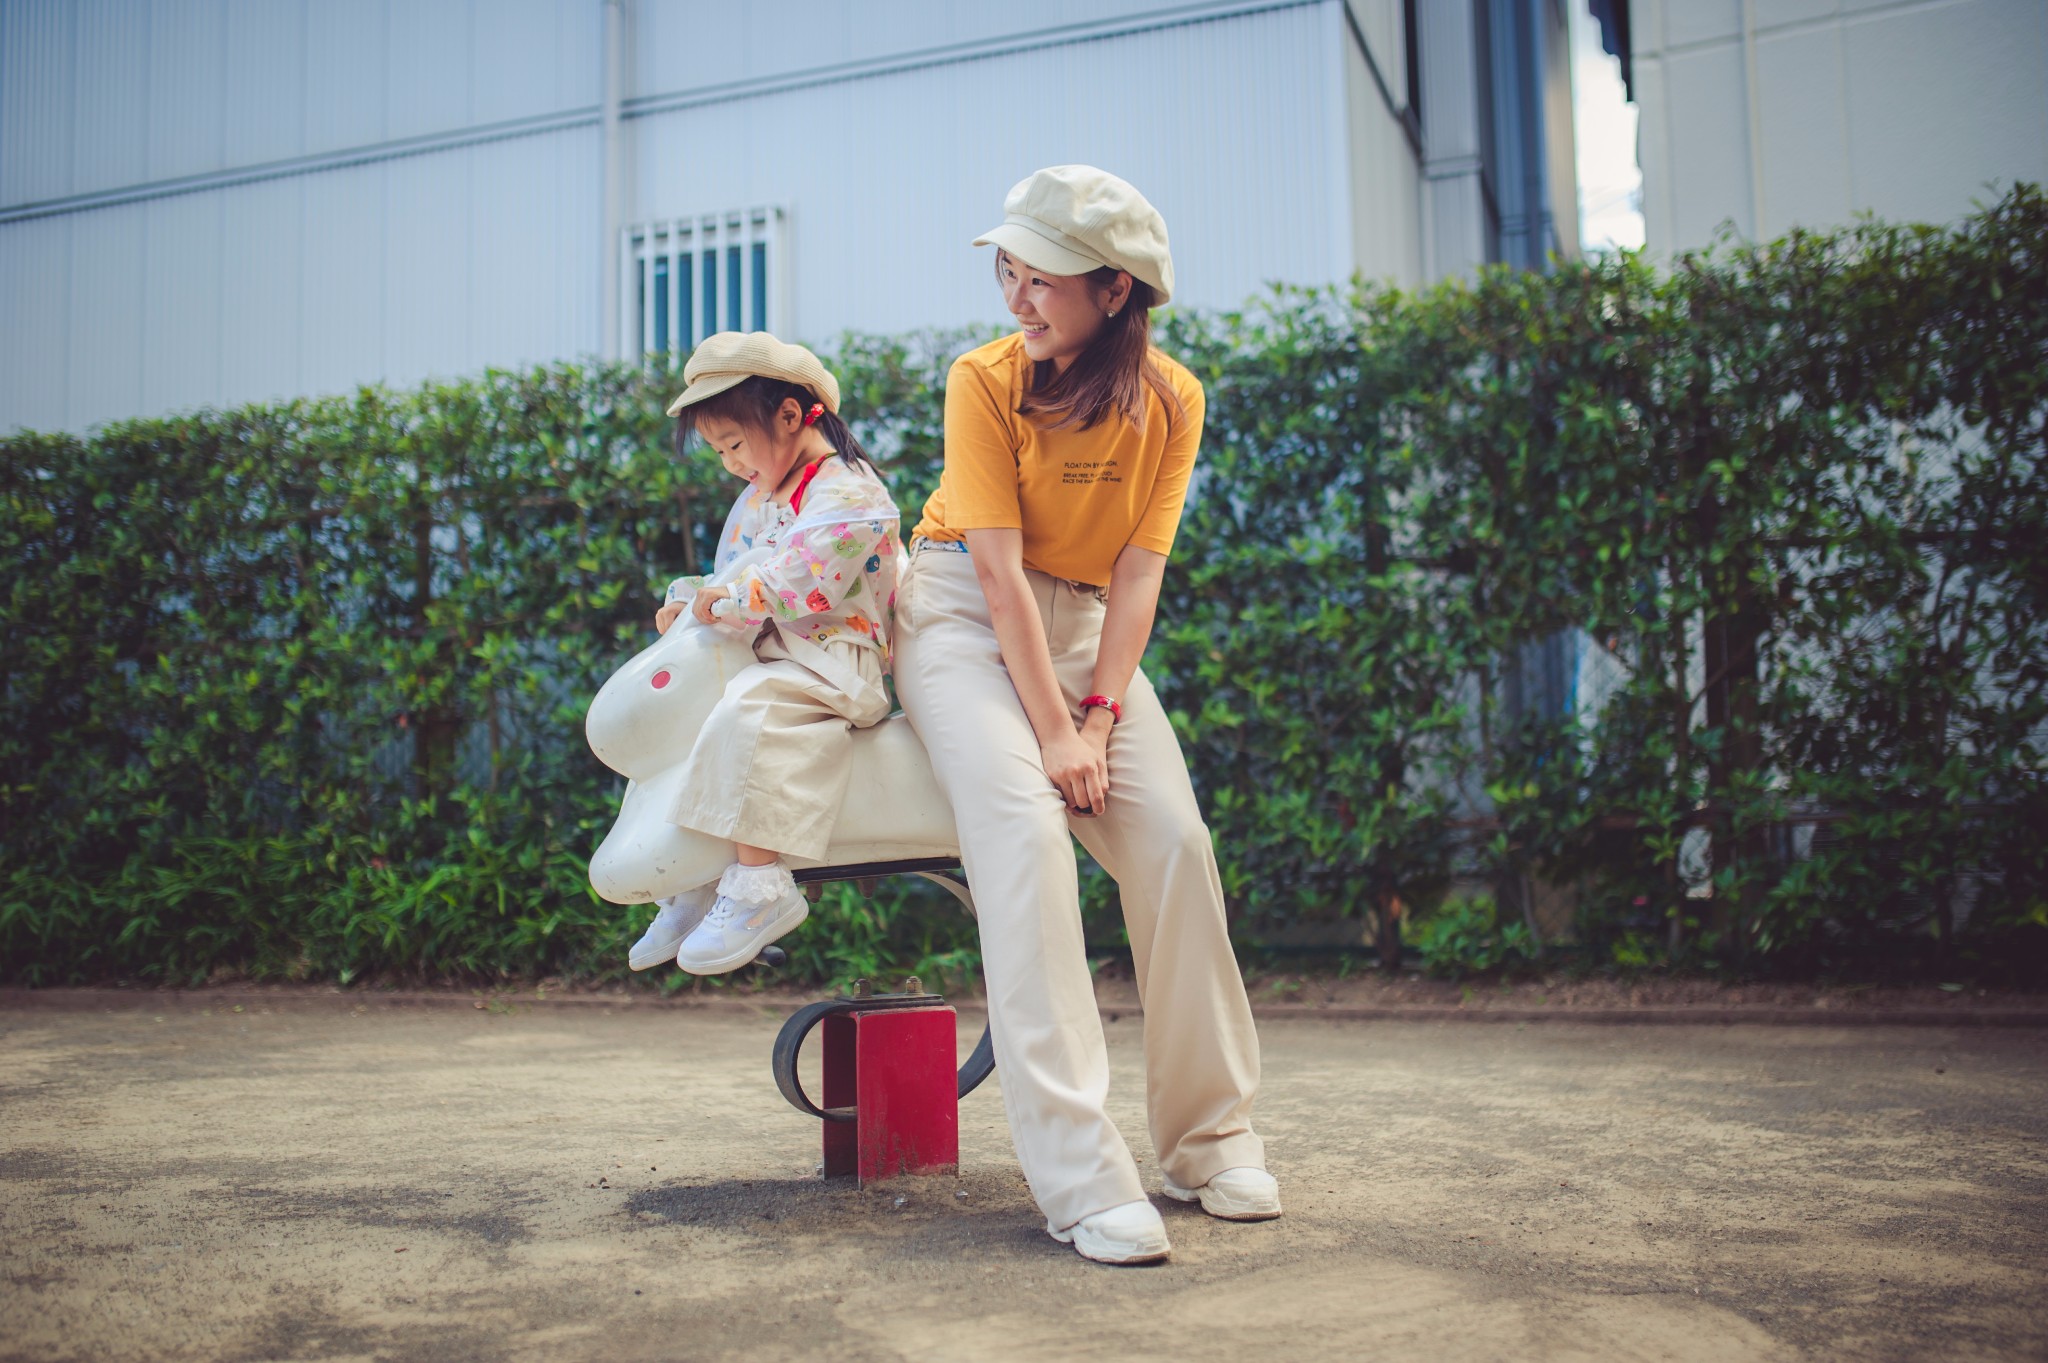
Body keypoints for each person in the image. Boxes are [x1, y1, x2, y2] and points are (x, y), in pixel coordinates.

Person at [893, 166, 1276, 1265]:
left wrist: (1098, 713)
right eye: (1006, 270)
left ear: (1115, 292)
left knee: (1173, 842)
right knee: (1023, 833)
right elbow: (1000, 577)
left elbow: (1137, 570)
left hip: (1087, 627)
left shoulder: (1173, 398)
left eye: (1040, 278)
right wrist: (1055, 737)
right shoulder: (983, 378)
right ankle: (1077, 1174)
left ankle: (1208, 1139)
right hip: (963, 611)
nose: (1015, 296)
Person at [627, 332, 903, 975]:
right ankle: (693, 877)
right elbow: (734, 570)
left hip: (830, 661)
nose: (728, 462)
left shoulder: (850, 494)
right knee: (685, 722)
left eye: (733, 443)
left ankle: (759, 888)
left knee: (749, 709)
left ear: (788, 415)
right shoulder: (764, 494)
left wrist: (719, 601)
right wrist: (687, 597)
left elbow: (802, 581)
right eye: (718, 449)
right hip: (774, 650)